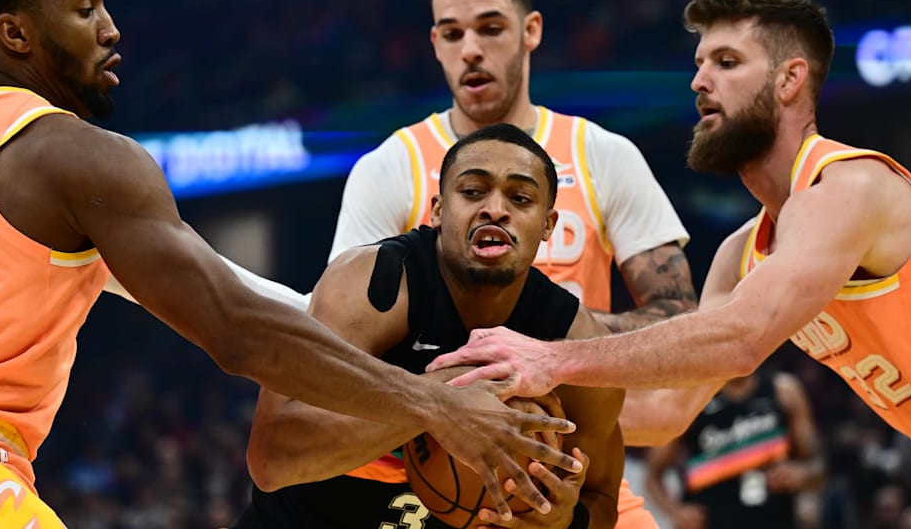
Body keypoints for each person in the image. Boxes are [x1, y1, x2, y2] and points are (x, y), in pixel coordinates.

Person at [0, 0, 578, 525]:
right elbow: (236, 328)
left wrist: (353, 331)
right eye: (85, 6)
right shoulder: (76, 155)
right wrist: (435, 402)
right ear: (16, 34)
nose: (111, 27)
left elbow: (227, 288)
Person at [428, 0, 911, 527]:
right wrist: (476, 405)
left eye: (727, 63)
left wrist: (550, 359)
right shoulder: (742, 252)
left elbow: (741, 338)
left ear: (790, 80)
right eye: (700, 63)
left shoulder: (849, 189)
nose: (699, 82)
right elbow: (667, 413)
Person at [327, 0, 698, 528]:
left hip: (564, 447)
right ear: (435, 44)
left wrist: (545, 346)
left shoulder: (603, 154)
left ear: (531, 32)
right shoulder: (390, 167)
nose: (470, 49)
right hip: (420, 465)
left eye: (491, 28)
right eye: (452, 34)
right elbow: (343, 349)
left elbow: (679, 319)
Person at [238, 124, 625, 528]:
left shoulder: (572, 341)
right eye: (473, 191)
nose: (495, 208)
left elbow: (601, 496)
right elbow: (270, 459)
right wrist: (441, 401)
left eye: (520, 197)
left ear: (548, 225)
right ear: (438, 210)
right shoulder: (373, 287)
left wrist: (569, 521)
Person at [644, 369, 825, 529]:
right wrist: (675, 512)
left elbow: (818, 467)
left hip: (777, 518)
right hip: (712, 521)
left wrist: (803, 475)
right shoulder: (691, 400)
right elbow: (652, 477)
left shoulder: (783, 390)